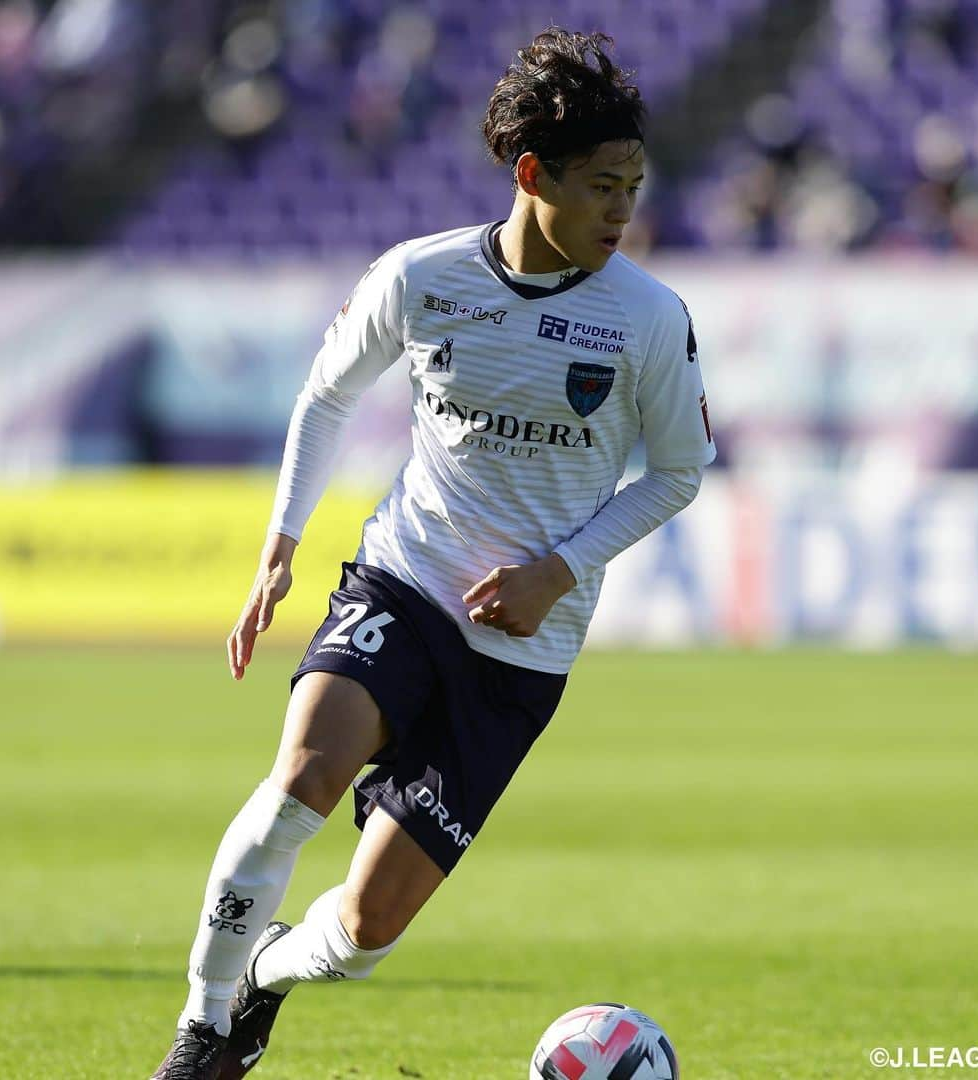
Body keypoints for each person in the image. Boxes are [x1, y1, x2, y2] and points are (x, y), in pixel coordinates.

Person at [151, 26, 716, 1080]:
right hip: (404, 578)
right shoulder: (421, 278)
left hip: (522, 647)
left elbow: (681, 470)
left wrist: (560, 568)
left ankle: (264, 979)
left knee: (365, 931)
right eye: (602, 186)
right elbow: (327, 396)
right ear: (531, 174)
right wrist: (280, 550)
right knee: (299, 782)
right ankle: (200, 1032)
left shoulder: (646, 320)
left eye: (635, 187)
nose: (622, 212)